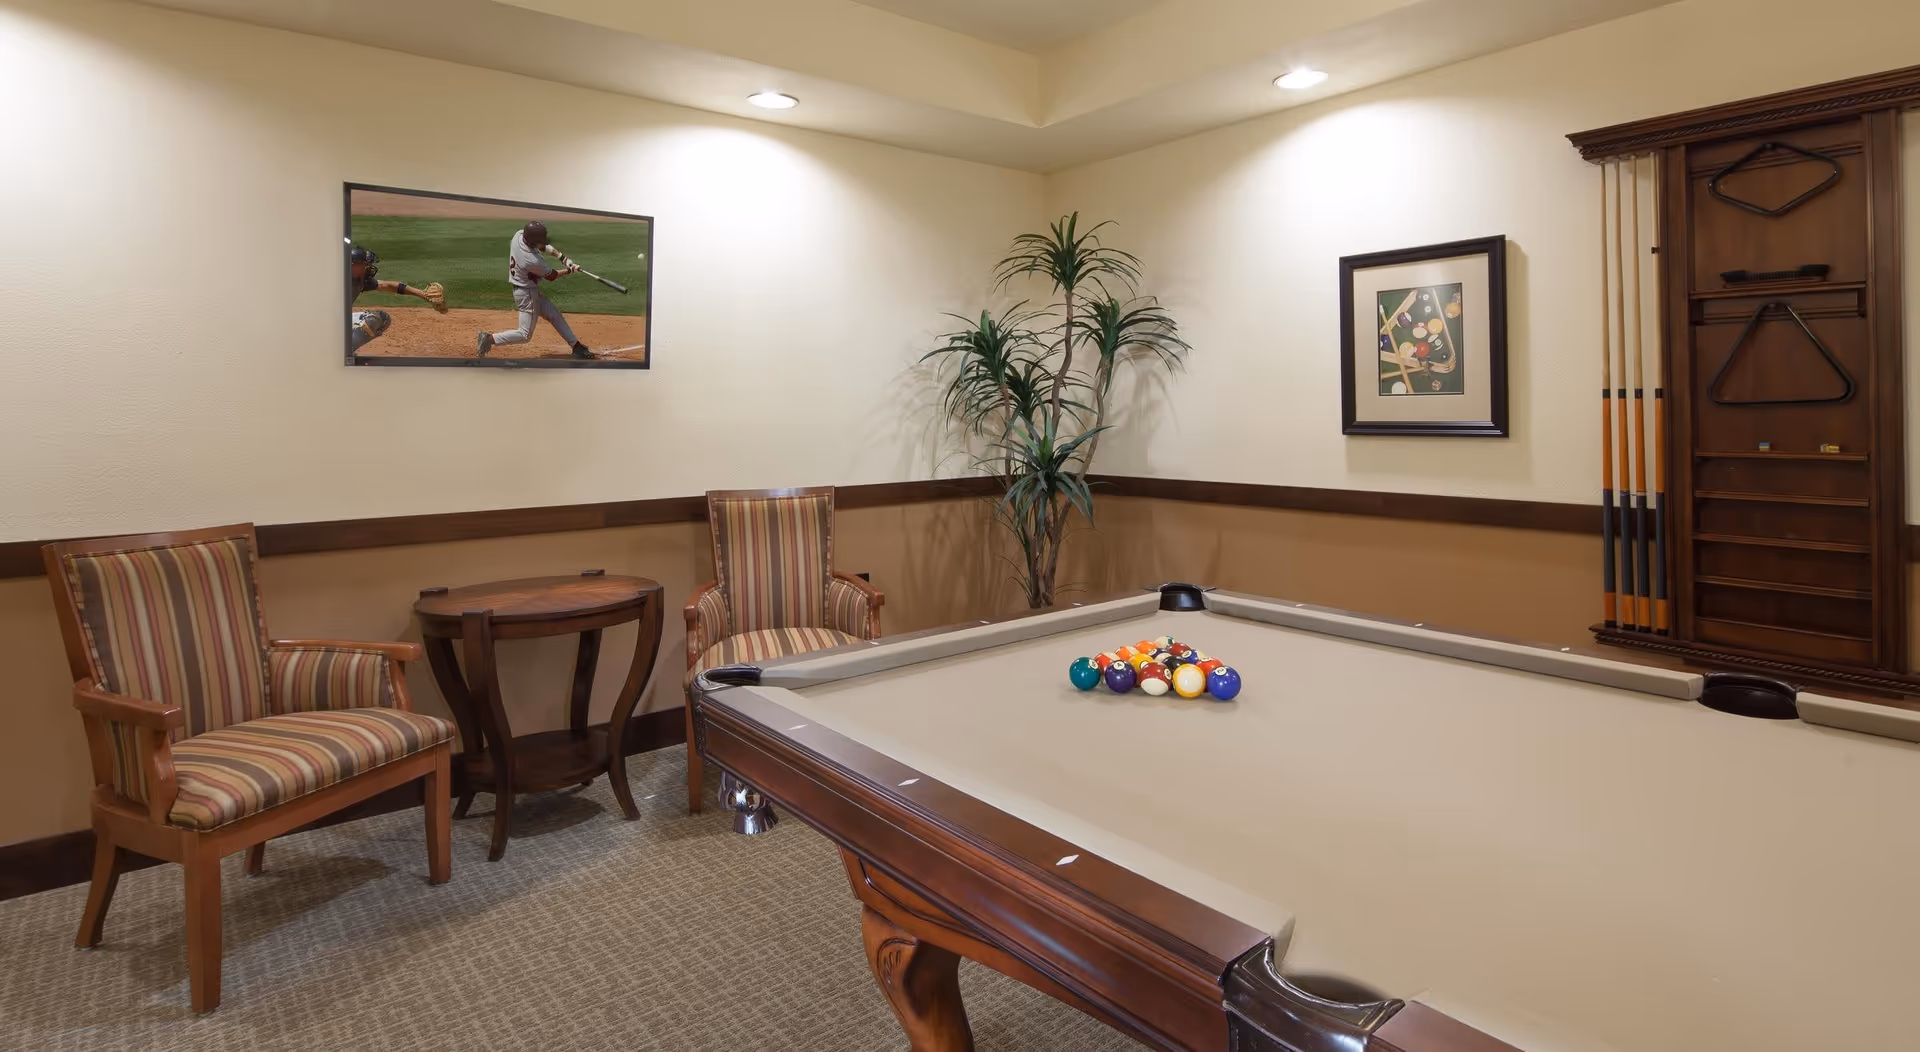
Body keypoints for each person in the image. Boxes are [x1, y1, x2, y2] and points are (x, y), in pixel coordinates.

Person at [478, 221, 593, 359]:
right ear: (533, 242)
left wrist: (563, 258)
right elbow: (552, 275)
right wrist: (571, 270)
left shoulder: (519, 235)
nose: (542, 243)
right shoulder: (531, 260)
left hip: (526, 290)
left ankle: (576, 346)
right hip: (527, 295)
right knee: (524, 335)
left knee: (554, 315)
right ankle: (489, 339)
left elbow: (542, 246)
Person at [347, 244, 446, 351]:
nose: (368, 266)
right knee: (372, 319)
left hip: (338, 322)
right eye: (365, 263)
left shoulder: (359, 280)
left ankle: (347, 349)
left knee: (382, 319)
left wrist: (423, 294)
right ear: (354, 265)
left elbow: (389, 285)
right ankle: (341, 353)